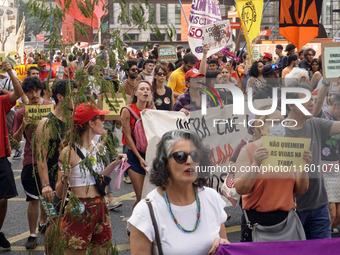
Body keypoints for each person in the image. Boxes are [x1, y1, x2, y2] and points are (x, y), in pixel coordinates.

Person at [128, 130, 229, 255]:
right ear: (164, 163)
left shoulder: (212, 197)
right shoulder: (146, 211)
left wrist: (223, 245)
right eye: (180, 156)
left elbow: (225, 244)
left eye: (195, 155)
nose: (189, 161)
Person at [57, 102, 126, 254]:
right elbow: (59, 193)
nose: (103, 122)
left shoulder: (97, 146)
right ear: (91, 123)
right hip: (79, 209)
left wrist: (116, 162)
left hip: (100, 206)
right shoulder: (68, 152)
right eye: (100, 118)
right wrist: (64, 179)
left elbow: (98, 177)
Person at [234, 109, 311, 242]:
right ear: (261, 125)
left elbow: (301, 189)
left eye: (282, 122)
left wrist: (303, 165)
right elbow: (240, 189)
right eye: (274, 122)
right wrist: (256, 163)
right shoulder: (248, 150)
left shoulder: (291, 149)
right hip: (257, 223)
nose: (280, 126)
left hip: (286, 222)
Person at [284, 82, 340, 239]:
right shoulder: (278, 134)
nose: (311, 103)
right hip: (291, 210)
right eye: (306, 99)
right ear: (291, 105)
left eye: (312, 99)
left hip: (320, 207)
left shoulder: (315, 124)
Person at [11, 77, 54, 249]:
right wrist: (22, 126)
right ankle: (32, 234)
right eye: (29, 92)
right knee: (33, 198)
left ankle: (46, 223)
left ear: (41, 90)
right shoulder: (22, 112)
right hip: (31, 158)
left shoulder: (51, 108)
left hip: (51, 158)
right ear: (25, 93)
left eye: (37, 91)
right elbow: (14, 142)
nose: (34, 95)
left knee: (49, 196)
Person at [0, 61, 24, 251]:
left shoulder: (1, 102)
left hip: (0, 157)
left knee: (3, 198)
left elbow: (17, 93)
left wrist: (9, 71)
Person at [121, 81, 155, 209]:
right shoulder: (127, 110)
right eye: (142, 89)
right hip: (134, 157)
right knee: (141, 197)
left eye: (148, 89)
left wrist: (181, 113)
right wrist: (139, 158)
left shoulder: (152, 110)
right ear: (135, 93)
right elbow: (128, 137)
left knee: (151, 197)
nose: (145, 91)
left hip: (150, 156)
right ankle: (132, 227)